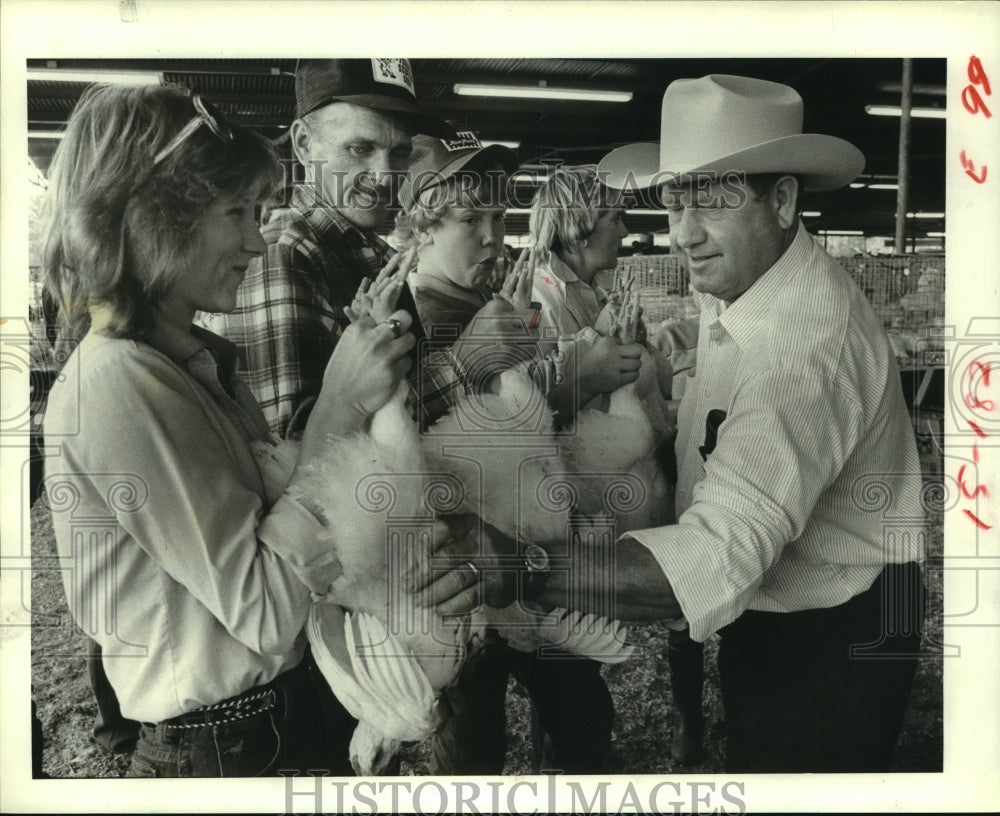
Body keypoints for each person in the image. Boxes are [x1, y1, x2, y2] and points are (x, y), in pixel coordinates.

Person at [485, 74, 925, 773]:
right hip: (788, 603)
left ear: (782, 201)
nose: (682, 232)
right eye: (673, 200)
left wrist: (510, 567)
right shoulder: (742, 284)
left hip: (837, 628)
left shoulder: (804, 347)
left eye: (713, 202)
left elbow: (715, 559)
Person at [42, 83, 473, 778]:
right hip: (223, 747)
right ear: (154, 220)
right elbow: (267, 611)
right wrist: (336, 406)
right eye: (235, 214)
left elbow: (286, 536)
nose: (253, 238)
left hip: (267, 722)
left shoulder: (193, 364)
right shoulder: (122, 382)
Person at [205, 58, 454, 438]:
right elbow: (296, 451)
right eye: (359, 148)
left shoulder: (368, 253)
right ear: (304, 144)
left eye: (399, 152)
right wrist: (467, 364)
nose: (386, 175)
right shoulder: (284, 256)